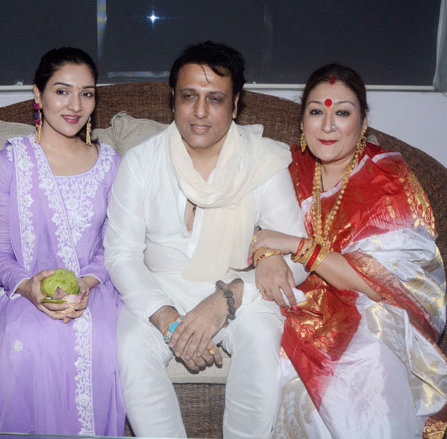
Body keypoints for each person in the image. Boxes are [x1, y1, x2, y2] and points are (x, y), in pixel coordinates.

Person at [105, 41, 308, 438]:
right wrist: (167, 318)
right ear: (173, 99)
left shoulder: (264, 160)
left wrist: (227, 298)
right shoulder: (141, 162)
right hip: (160, 287)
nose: (200, 111)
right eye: (189, 97)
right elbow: (121, 254)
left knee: (262, 337)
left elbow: (297, 259)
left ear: (235, 105)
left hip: (238, 287)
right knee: (129, 346)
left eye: (215, 99)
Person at [249, 64, 447, 438]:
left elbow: (387, 283)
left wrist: (297, 246)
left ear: (363, 121)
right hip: (299, 304)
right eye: (316, 111)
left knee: (368, 359)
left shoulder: (387, 178)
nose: (327, 126)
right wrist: (266, 255)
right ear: (302, 120)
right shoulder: (285, 167)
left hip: (370, 307)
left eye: (342, 113)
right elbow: (250, 224)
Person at [0, 47, 125, 435]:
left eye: (86, 93)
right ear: (37, 94)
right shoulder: (9, 164)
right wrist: (29, 287)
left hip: (94, 288)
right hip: (25, 290)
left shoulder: (110, 164)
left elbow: (114, 246)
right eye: (62, 91)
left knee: (102, 344)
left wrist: (84, 284)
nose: (75, 105)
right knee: (23, 342)